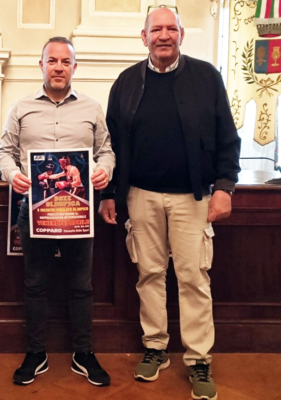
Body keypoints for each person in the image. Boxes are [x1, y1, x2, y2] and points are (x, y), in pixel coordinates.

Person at [99, 6, 241, 400]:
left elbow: (228, 138)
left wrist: (225, 186)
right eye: (156, 29)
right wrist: (110, 193)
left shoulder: (207, 77)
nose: (164, 35)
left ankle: (199, 360)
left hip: (192, 198)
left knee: (194, 278)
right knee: (149, 274)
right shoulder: (126, 82)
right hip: (139, 196)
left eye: (171, 29)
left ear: (181, 34)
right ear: (143, 37)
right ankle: (155, 347)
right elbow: (112, 145)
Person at [0, 36, 115, 387]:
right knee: (35, 284)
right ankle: (36, 353)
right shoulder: (21, 108)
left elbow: (106, 151)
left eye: (65, 62)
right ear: (42, 65)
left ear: (74, 67)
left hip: (78, 213)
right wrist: (13, 175)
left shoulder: (92, 108)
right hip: (34, 213)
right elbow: (4, 153)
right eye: (52, 61)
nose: (59, 67)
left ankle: (83, 352)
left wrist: (104, 170)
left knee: (82, 285)